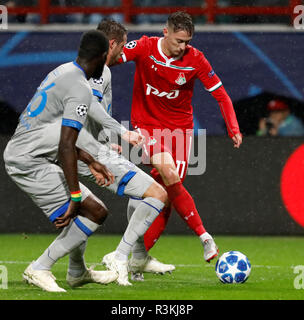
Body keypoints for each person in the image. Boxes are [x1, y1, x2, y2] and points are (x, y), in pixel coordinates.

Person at [116, 11, 243, 278]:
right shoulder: (145, 47)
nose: (183, 47)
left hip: (180, 132)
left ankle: (137, 258)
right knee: (170, 174)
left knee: (165, 196)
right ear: (166, 32)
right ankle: (205, 236)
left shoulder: (195, 59)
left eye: (187, 42)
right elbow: (111, 58)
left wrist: (233, 127)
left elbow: (221, 95)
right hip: (147, 126)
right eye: (179, 41)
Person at [3, 30, 119, 292]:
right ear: (102, 58)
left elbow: (55, 132)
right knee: (94, 211)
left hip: (31, 151)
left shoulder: (63, 71)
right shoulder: (80, 88)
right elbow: (66, 144)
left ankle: (77, 272)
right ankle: (40, 268)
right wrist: (74, 195)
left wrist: (89, 159)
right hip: (27, 162)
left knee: (91, 209)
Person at [75, 19, 171, 286]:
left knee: (83, 209)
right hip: (87, 153)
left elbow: (81, 114)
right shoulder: (101, 70)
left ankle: (65, 268)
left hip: (77, 148)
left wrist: (105, 141)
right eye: (121, 47)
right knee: (156, 193)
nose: (122, 54)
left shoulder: (79, 67)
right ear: (113, 44)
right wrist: (121, 132)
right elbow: (90, 107)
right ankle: (121, 255)